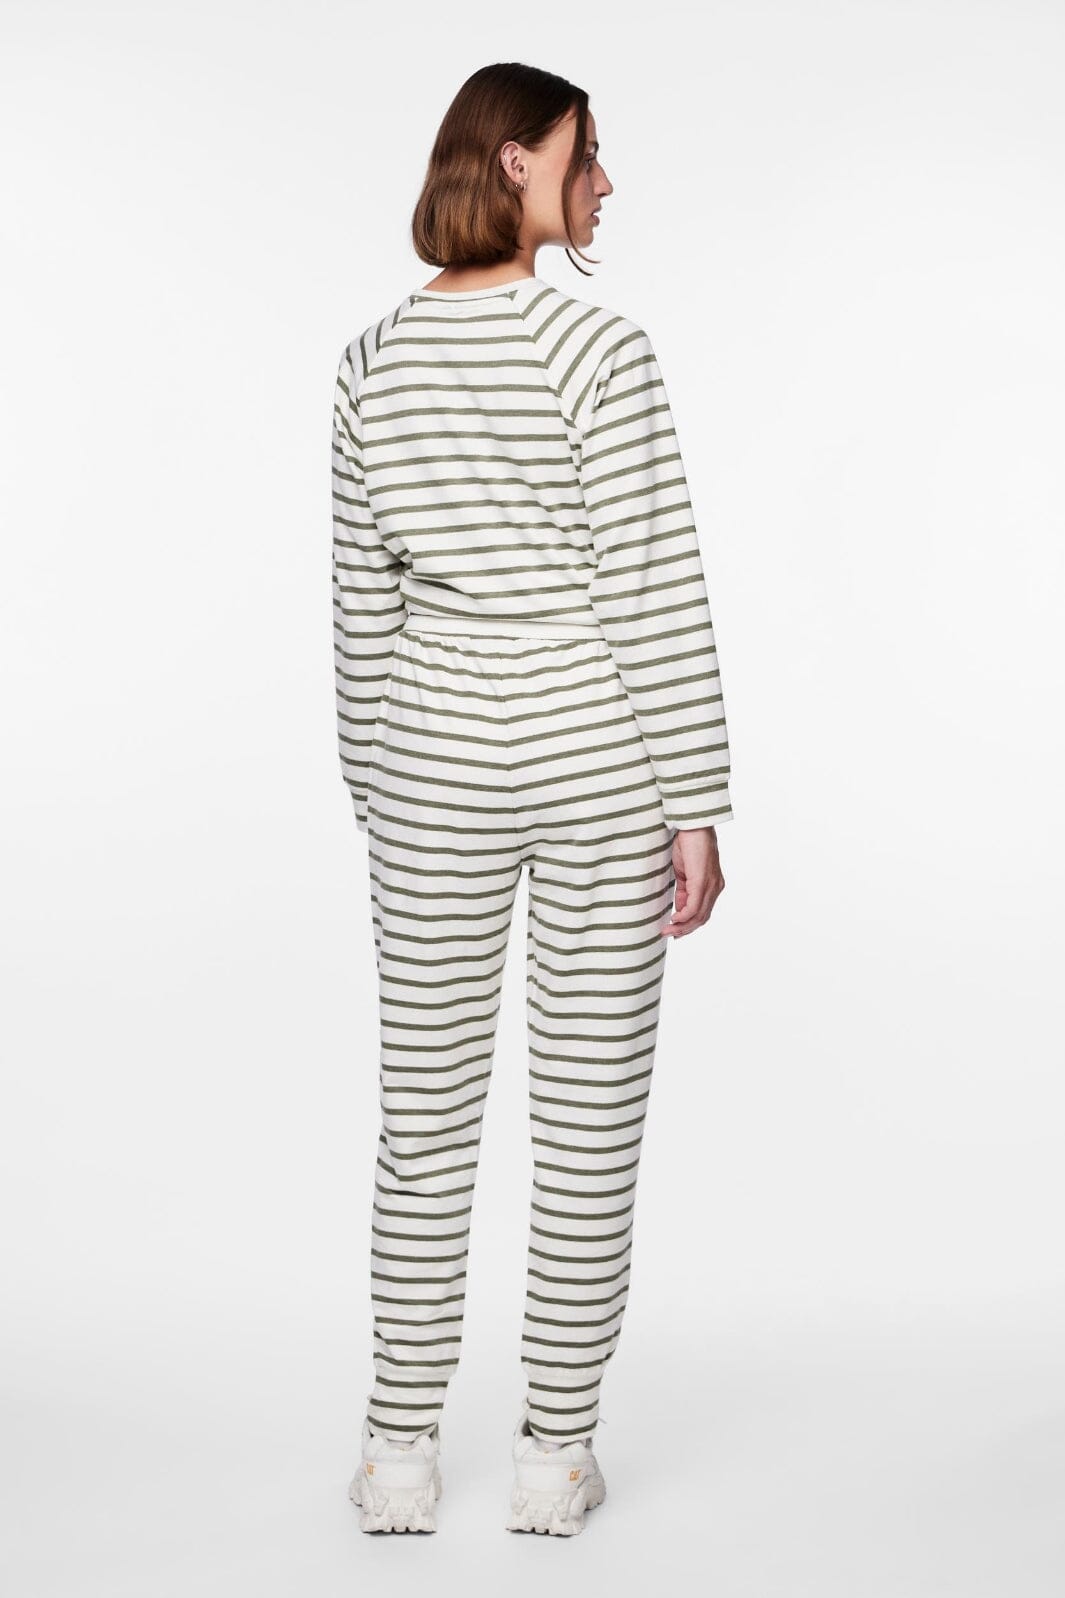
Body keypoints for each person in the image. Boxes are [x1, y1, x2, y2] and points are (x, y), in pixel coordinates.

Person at [332, 62, 733, 1536]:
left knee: (423, 1115)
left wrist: (384, 787)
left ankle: (397, 1454)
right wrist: (695, 800)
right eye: (587, 153)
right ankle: (554, 1457)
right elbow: (650, 583)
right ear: (515, 162)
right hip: (596, 759)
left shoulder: (371, 361)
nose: (606, 182)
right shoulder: (599, 350)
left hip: (431, 758)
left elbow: (361, 607)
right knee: (586, 1115)